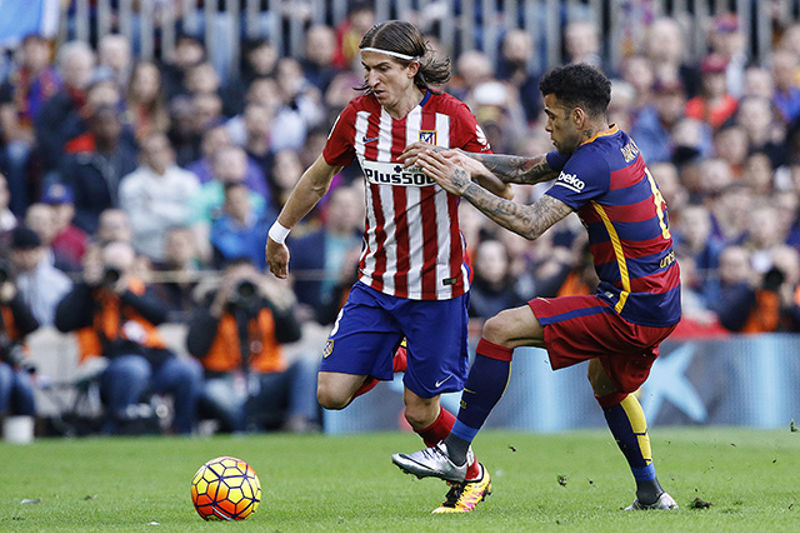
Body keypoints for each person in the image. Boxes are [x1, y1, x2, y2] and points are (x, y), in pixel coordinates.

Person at [392, 63, 681, 511]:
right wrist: (463, 157)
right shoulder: (614, 144)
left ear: (578, 117)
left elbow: (530, 223)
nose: (546, 125)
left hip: (631, 305)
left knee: (499, 329)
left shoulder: (594, 161)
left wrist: (463, 185)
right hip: (659, 297)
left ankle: (454, 453)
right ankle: (651, 493)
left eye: (552, 115)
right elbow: (527, 170)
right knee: (605, 381)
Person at [265, 20, 508, 514]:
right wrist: (279, 232)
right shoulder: (357, 116)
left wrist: (459, 168)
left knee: (419, 411)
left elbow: (502, 185)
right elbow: (318, 178)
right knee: (331, 393)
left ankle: (471, 474)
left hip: (437, 287)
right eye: (367, 69)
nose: (372, 79)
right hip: (376, 282)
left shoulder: (453, 116)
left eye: (382, 69)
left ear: (412, 69)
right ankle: (399, 357)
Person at [54, 241, 202, 434]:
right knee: (134, 368)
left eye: (123, 269)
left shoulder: (138, 289)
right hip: (110, 365)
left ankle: (183, 431)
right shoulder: (90, 295)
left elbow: (161, 315)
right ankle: (116, 428)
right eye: (112, 268)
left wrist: (124, 292)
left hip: (153, 361)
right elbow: (63, 323)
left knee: (188, 370)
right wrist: (85, 286)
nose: (116, 274)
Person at [187, 259, 317, 433]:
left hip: (266, 380)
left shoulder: (265, 303)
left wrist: (274, 297)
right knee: (214, 392)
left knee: (308, 361)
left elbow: (294, 335)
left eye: (248, 280)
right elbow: (195, 347)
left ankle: (299, 422)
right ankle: (249, 427)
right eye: (236, 280)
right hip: (225, 381)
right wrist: (219, 305)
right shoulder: (211, 304)